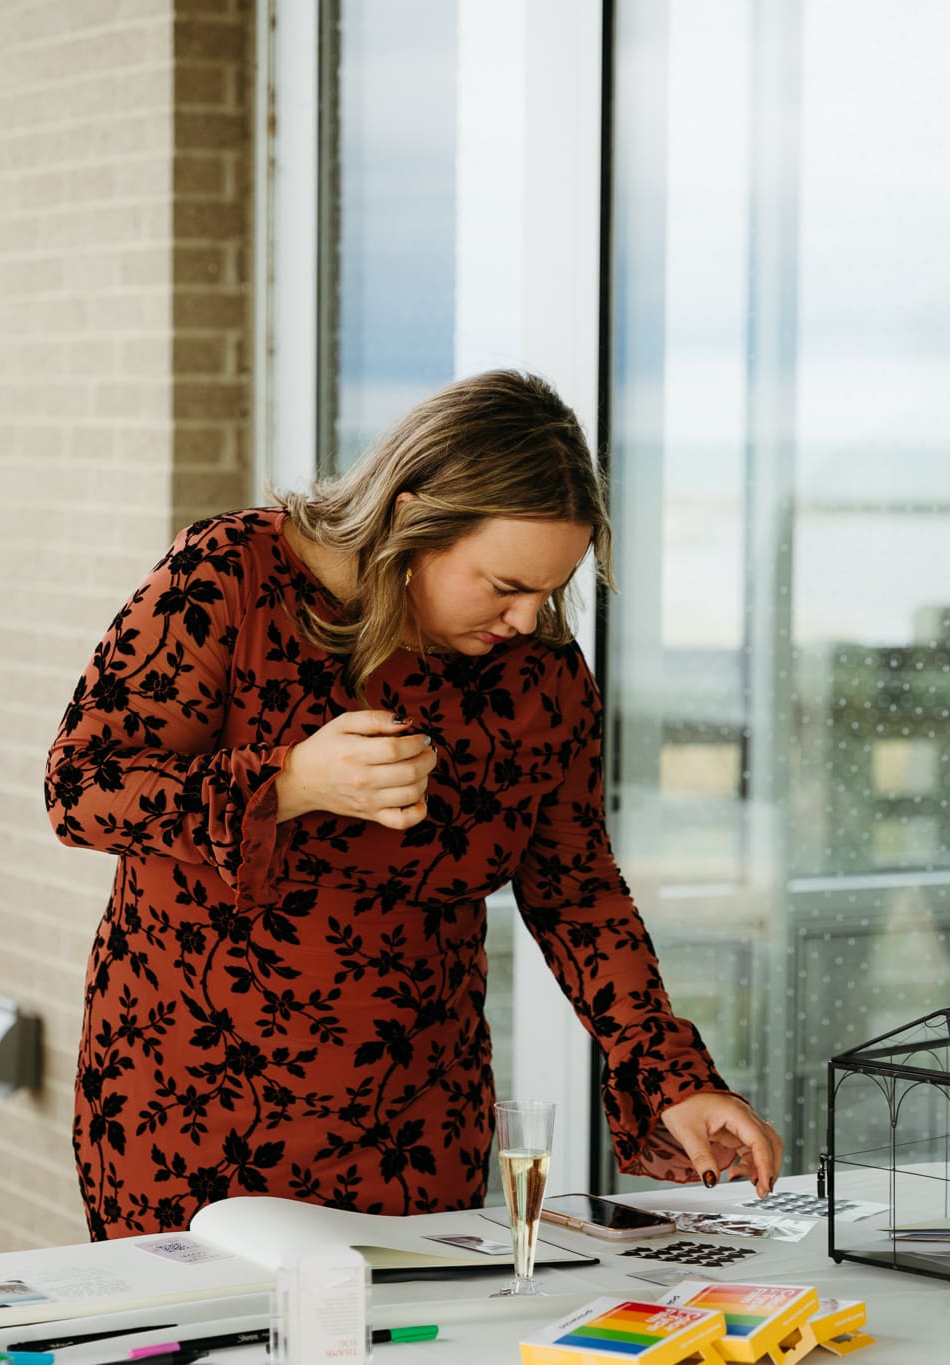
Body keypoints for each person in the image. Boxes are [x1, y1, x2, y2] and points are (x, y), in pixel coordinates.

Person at [47, 370, 783, 1238]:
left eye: (550, 590)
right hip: (192, 1108)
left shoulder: (538, 675)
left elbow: (577, 889)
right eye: (503, 585)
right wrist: (288, 784)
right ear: (407, 520)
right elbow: (81, 786)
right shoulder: (230, 578)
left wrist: (673, 1074)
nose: (526, 617)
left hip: (416, 1125)